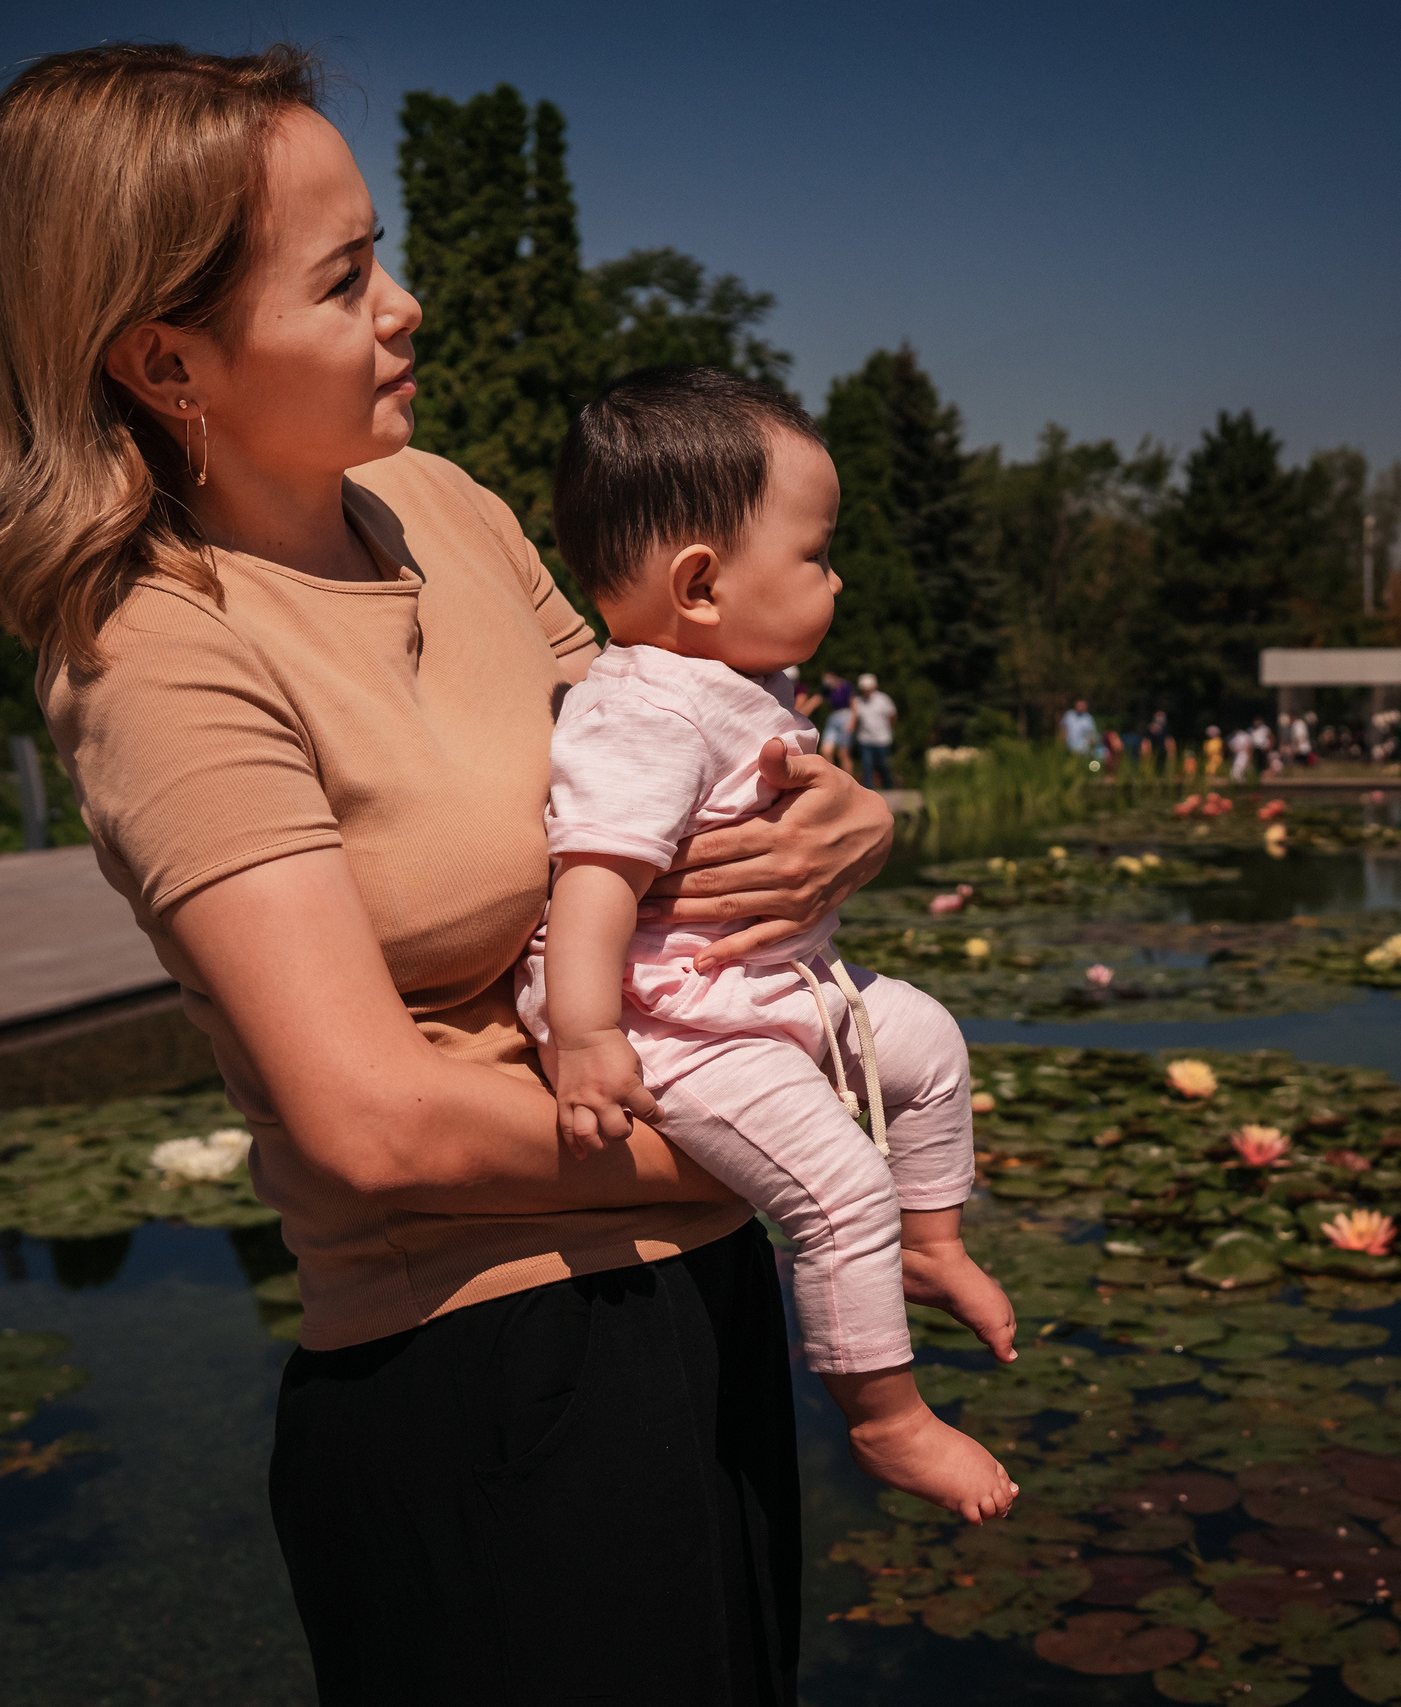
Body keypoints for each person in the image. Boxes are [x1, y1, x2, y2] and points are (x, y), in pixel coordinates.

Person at [0, 45, 894, 1702]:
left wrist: (848, 813)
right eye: (347, 276)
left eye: (388, 254)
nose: (406, 304)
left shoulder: (440, 500)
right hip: (488, 1382)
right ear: (167, 358)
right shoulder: (161, 651)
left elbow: (670, 751)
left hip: (687, 1311)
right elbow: (373, 1125)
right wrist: (795, 1152)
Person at [526, 368, 1015, 1520]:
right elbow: (592, 877)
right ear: (701, 583)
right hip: (672, 1023)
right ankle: (886, 1419)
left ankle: (930, 1245)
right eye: (815, 553)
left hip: (762, 984)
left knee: (931, 1044)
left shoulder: (731, 683)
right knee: (838, 1188)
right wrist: (589, 1040)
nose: (834, 578)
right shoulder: (645, 709)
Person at [852, 671, 898, 787]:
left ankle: (888, 786)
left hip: (882, 739)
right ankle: (868, 791)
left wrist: (890, 729)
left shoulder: (883, 699)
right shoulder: (858, 701)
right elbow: (856, 719)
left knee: (883, 765)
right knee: (867, 766)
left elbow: (892, 715)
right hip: (865, 739)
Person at [819, 668, 855, 770]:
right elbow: (817, 700)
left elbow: (853, 704)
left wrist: (852, 721)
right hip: (833, 717)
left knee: (843, 753)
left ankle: (849, 782)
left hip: (846, 717)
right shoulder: (827, 689)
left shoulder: (846, 686)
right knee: (825, 750)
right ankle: (833, 778)